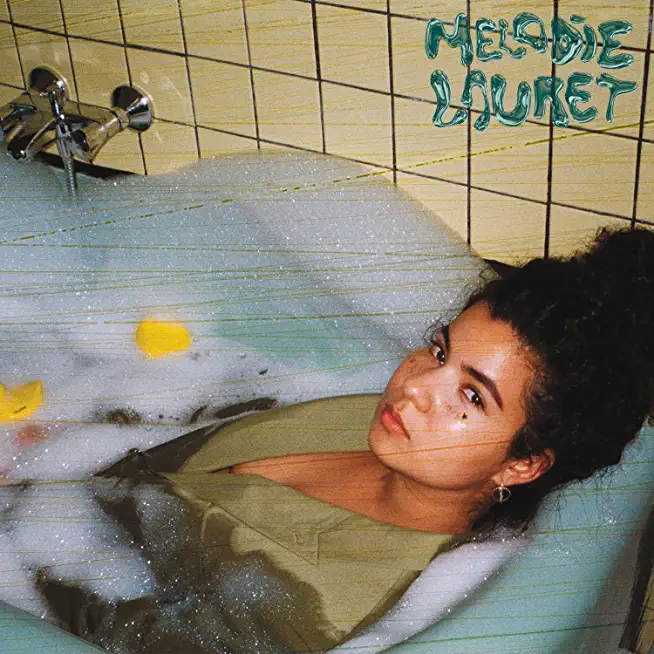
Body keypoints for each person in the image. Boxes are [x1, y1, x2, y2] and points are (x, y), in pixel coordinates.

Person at [28, 226, 654, 653]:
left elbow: (102, 622)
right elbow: (193, 420)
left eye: (471, 396)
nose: (414, 385)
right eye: (439, 351)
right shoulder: (376, 423)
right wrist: (53, 438)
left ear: (521, 465)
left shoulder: (326, 605)